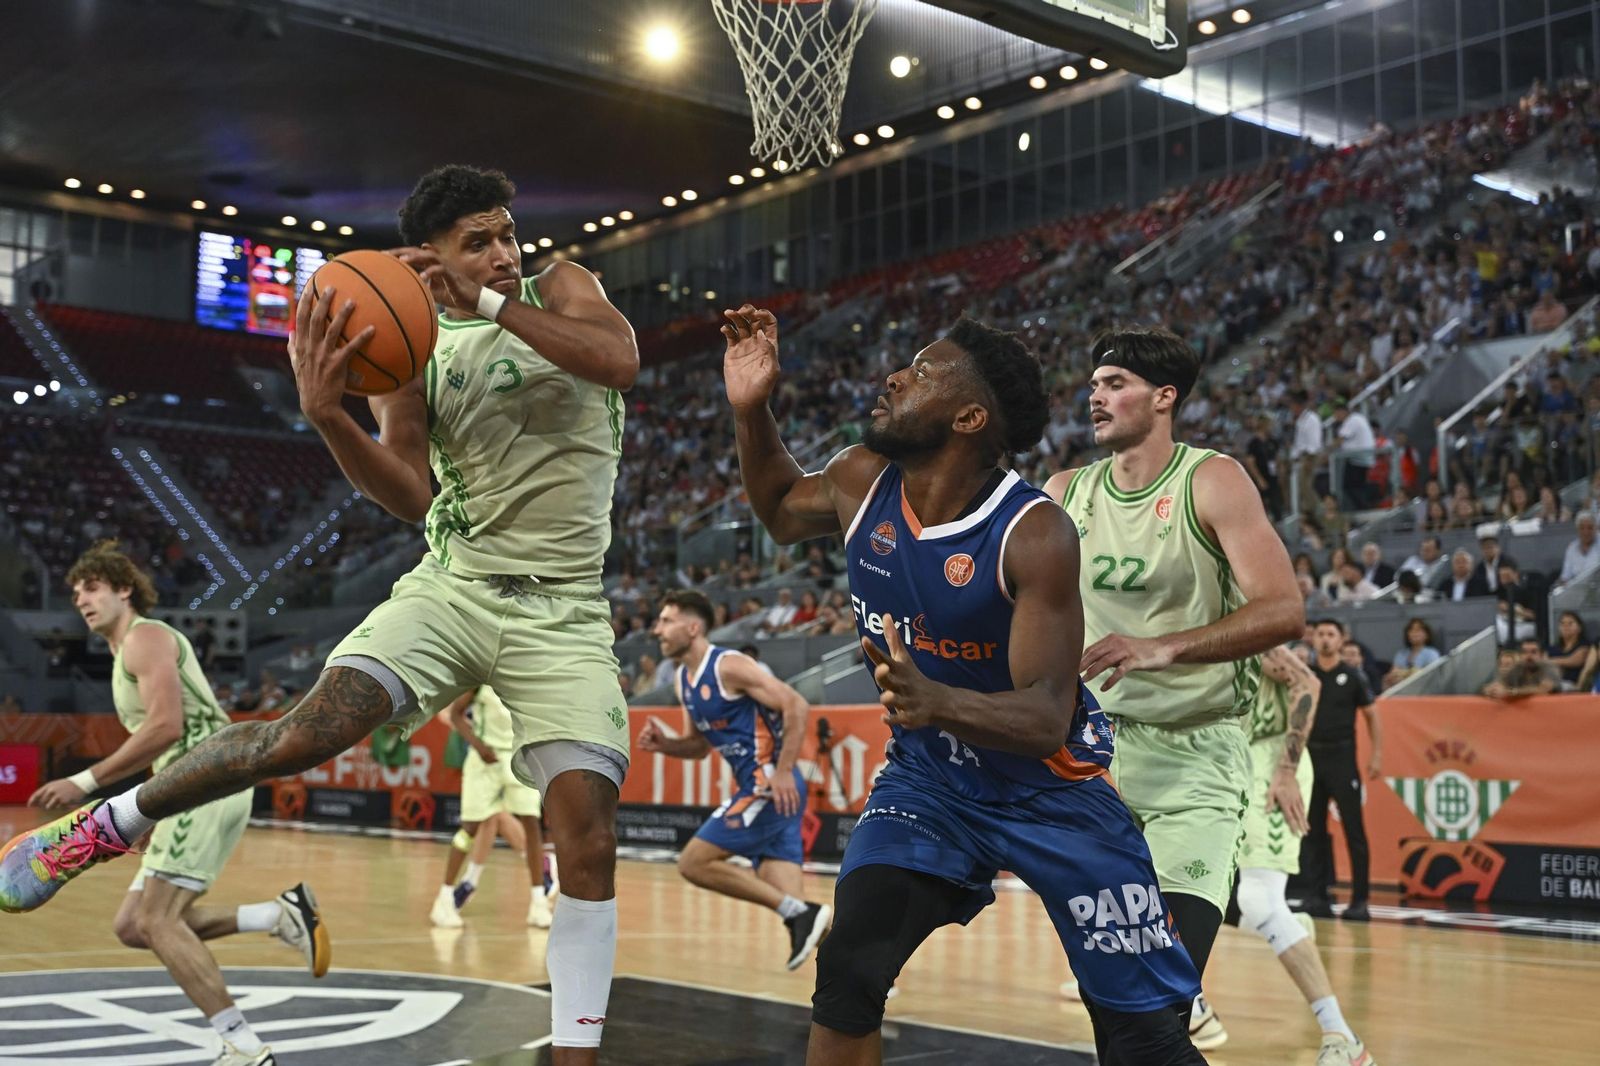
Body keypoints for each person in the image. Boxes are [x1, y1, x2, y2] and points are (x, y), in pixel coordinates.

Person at [0, 165, 638, 1064]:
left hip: (564, 611)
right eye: (476, 243)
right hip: (453, 586)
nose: (502, 253)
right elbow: (414, 494)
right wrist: (329, 416)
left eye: (505, 235)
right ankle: (108, 826)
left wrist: (490, 303)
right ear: (434, 256)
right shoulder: (412, 350)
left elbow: (619, 361)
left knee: (589, 838)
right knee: (297, 736)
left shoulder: (561, 287)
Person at [723, 306, 1205, 1064]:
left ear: (970, 416)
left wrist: (938, 700)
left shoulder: (1034, 532)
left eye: (921, 372)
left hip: (1053, 792)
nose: (894, 377)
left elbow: (1046, 717)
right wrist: (753, 412)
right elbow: (782, 510)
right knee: (850, 965)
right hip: (930, 783)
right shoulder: (861, 478)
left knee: (1143, 1036)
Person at [1044, 326, 1303, 1049]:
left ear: (1164, 398)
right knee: (1116, 1007)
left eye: (1115, 382)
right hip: (1095, 763)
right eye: (1094, 384)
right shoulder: (1066, 490)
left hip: (1198, 758)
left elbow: (1284, 608)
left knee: (1156, 996)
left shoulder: (1211, 479)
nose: (1095, 395)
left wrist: (1165, 647)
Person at [8, 542, 329, 1066]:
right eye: (74, 593)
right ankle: (279, 915)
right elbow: (167, 741)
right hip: (190, 787)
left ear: (123, 589)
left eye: (91, 588)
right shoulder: (124, 651)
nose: (81, 600)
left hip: (206, 782)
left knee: (159, 922)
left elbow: (167, 728)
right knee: (134, 925)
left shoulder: (145, 638)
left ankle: (245, 1048)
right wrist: (151, 811)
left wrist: (86, 780)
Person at [641, 589, 832, 969]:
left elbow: (796, 704)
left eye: (666, 621)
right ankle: (869, 979)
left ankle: (798, 913)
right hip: (768, 792)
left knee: (693, 863)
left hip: (768, 786)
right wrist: (666, 745)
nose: (656, 630)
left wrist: (781, 771)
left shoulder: (729, 665)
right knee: (806, 916)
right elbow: (697, 747)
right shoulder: (683, 680)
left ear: (693, 627)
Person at [1235, 644, 1377, 1066]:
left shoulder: (1245, 624)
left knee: (1259, 899)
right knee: (1192, 889)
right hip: (1232, 764)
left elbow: (1307, 682)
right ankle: (1189, 1007)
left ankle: (1342, 1036)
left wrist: (1285, 769)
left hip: (1274, 764)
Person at [429, 687, 554, 930]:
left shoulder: (529, 678)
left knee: (531, 824)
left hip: (520, 757)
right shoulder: (481, 678)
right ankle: (444, 900)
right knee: (471, 827)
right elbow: (455, 714)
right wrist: (478, 745)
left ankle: (538, 902)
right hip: (486, 761)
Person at [1299, 620, 1381, 923]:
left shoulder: (1353, 676)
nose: (1324, 639)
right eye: (1320, 634)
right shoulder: (1307, 676)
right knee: (1313, 832)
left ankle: (1360, 900)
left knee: (1354, 831)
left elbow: (1372, 716)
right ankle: (1317, 896)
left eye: (1330, 634)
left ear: (1340, 639)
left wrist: (1377, 755)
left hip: (1342, 757)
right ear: (1313, 639)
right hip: (1311, 758)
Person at [1482, 639, 1561, 699]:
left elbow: (1542, 689)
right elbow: (1500, 684)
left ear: (1542, 655)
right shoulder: (1517, 668)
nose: (1528, 656)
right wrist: (1491, 690)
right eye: (1525, 652)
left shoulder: (1550, 668)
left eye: (1533, 652)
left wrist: (1511, 692)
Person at [1382, 619, 1442, 690]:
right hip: (1401, 689)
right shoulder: (1401, 653)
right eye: (1411, 630)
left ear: (1427, 635)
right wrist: (1410, 673)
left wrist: (1405, 673)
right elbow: (1394, 673)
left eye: (1418, 630)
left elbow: (1432, 675)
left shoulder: (1432, 653)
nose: (1414, 633)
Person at [1547, 611, 1593, 689]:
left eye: (1570, 623)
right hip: (1552, 682)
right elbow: (1542, 663)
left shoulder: (1585, 645)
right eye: (1562, 624)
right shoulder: (1553, 648)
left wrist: (1550, 661)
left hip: (1574, 684)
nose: (1566, 626)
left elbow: (1574, 661)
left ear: (1579, 628)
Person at [1559, 513, 1600, 586]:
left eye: (1590, 528)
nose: (1586, 532)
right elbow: (1565, 577)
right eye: (1582, 528)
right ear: (1577, 530)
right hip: (1577, 592)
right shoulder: (1571, 549)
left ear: (1595, 529)